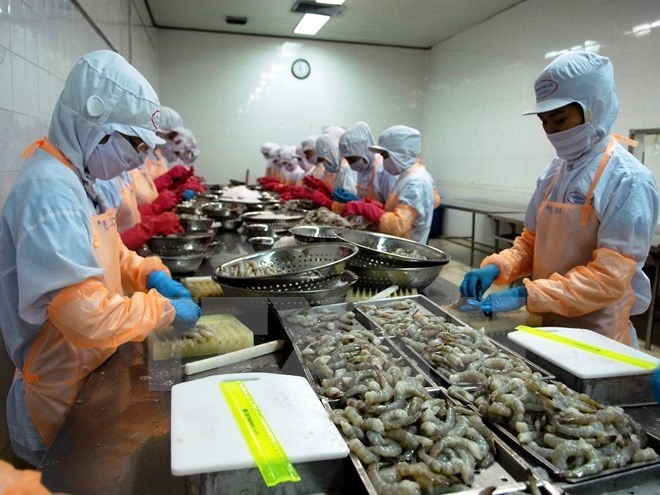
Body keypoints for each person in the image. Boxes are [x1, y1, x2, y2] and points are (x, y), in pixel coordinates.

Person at [0, 50, 202, 466]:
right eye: (134, 144)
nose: (138, 159)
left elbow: (109, 250)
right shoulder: (49, 193)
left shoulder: (77, 179)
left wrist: (147, 273)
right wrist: (161, 310)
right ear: (95, 124)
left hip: (89, 374)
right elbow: (85, 316)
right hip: (58, 399)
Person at [460, 51, 659, 347]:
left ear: (593, 108)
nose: (551, 131)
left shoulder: (628, 180)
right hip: (546, 325)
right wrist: (498, 266)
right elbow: (531, 242)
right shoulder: (555, 172)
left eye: (560, 119)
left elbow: (609, 278)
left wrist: (527, 294)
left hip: (597, 336)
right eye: (544, 122)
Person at [342, 125, 440, 243]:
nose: (383, 161)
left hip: (407, 250)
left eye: (385, 156)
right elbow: (395, 210)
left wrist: (366, 209)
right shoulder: (406, 177)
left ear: (400, 154)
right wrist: (372, 205)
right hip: (397, 246)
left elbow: (397, 225)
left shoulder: (416, 182)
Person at [338, 121, 396, 204]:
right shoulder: (363, 170)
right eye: (347, 160)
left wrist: (368, 208)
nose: (351, 165)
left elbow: (390, 207)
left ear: (365, 152)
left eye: (353, 160)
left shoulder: (384, 170)